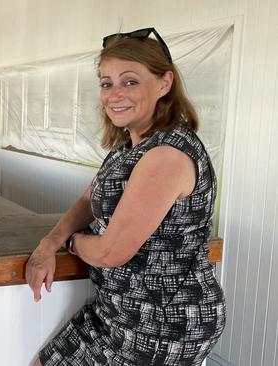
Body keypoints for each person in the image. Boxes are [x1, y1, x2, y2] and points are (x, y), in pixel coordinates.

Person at [25, 28, 226, 366]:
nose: (114, 94)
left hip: (163, 321)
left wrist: (73, 242)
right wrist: (49, 243)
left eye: (129, 81)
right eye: (106, 83)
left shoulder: (168, 153)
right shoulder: (127, 150)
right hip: (117, 309)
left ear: (164, 83)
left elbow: (109, 251)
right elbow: (88, 201)